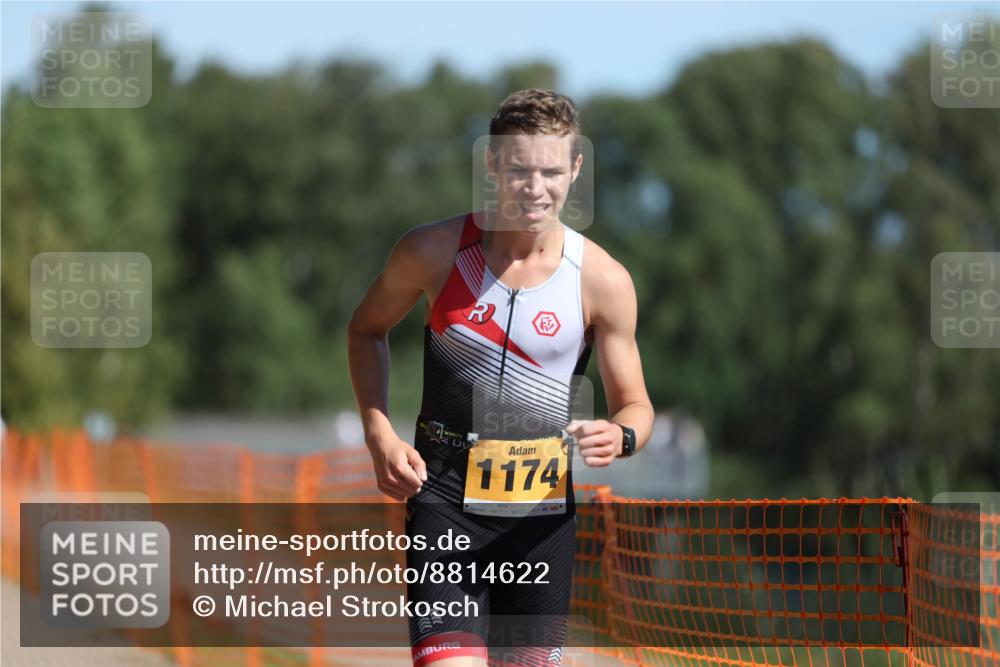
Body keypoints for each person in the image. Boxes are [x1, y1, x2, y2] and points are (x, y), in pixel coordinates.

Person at [348, 89, 654, 667]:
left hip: (540, 520)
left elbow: (637, 406)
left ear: (576, 168)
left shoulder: (603, 280)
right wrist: (379, 434)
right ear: (490, 164)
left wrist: (624, 435)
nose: (535, 189)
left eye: (552, 172)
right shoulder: (432, 251)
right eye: (518, 170)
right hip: (443, 500)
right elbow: (364, 332)